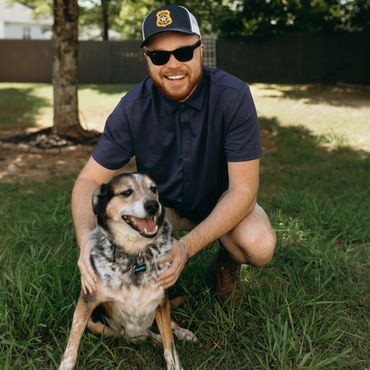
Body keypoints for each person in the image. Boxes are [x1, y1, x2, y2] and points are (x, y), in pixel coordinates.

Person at [72, 4, 276, 304]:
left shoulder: (232, 96)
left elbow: (244, 191)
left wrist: (186, 247)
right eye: (159, 56)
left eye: (183, 53)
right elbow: (88, 180)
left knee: (259, 245)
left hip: (220, 201)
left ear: (200, 51)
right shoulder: (133, 107)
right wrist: (86, 243)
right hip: (160, 209)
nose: (173, 65)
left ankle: (226, 262)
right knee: (114, 231)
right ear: (147, 60)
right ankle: (146, 286)